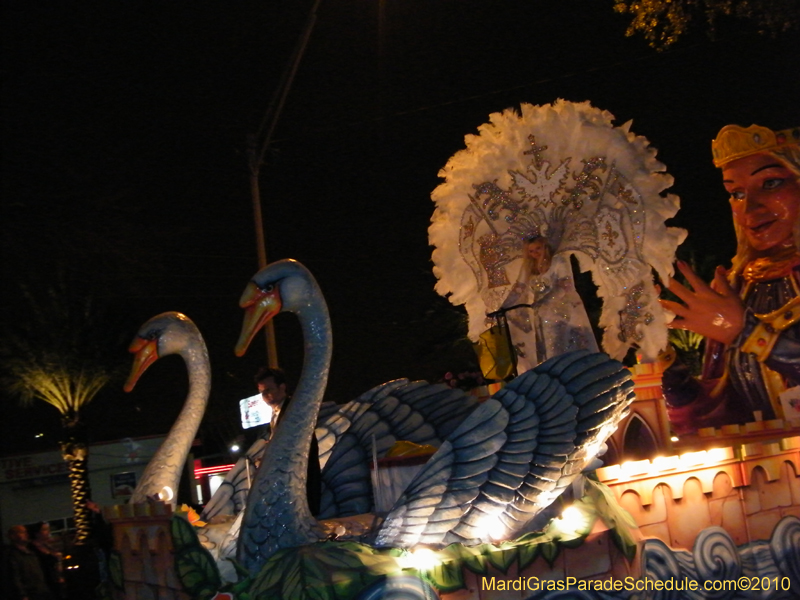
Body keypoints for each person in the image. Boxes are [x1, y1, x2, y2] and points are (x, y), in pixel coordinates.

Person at [661, 124, 800, 433]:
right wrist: (668, 370)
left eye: (771, 183)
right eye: (736, 193)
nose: (749, 207)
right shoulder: (738, 286)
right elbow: (720, 411)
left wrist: (746, 334)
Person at [502, 236, 598, 373]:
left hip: (561, 312)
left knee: (558, 347)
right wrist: (504, 307)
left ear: (545, 247)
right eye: (531, 251)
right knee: (545, 349)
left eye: (538, 248)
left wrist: (545, 301)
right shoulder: (529, 267)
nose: (535, 253)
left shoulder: (558, 260)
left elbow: (565, 285)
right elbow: (519, 288)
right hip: (541, 316)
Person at [255, 366, 321, 515]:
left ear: (282, 387)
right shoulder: (278, 412)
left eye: (268, 390)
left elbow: (294, 447)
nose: (265, 396)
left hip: (299, 483)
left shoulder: (293, 410)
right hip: (290, 484)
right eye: (262, 393)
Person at [4, 525, 54, 600]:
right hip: (30, 593)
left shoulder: (31, 552)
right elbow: (14, 576)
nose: (26, 535)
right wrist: (22, 595)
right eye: (22, 532)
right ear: (12, 536)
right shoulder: (11, 555)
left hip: (41, 591)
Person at [28, 522, 65, 599]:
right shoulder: (32, 548)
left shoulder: (46, 545)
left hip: (54, 579)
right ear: (37, 533)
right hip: (44, 580)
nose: (48, 532)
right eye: (44, 530)